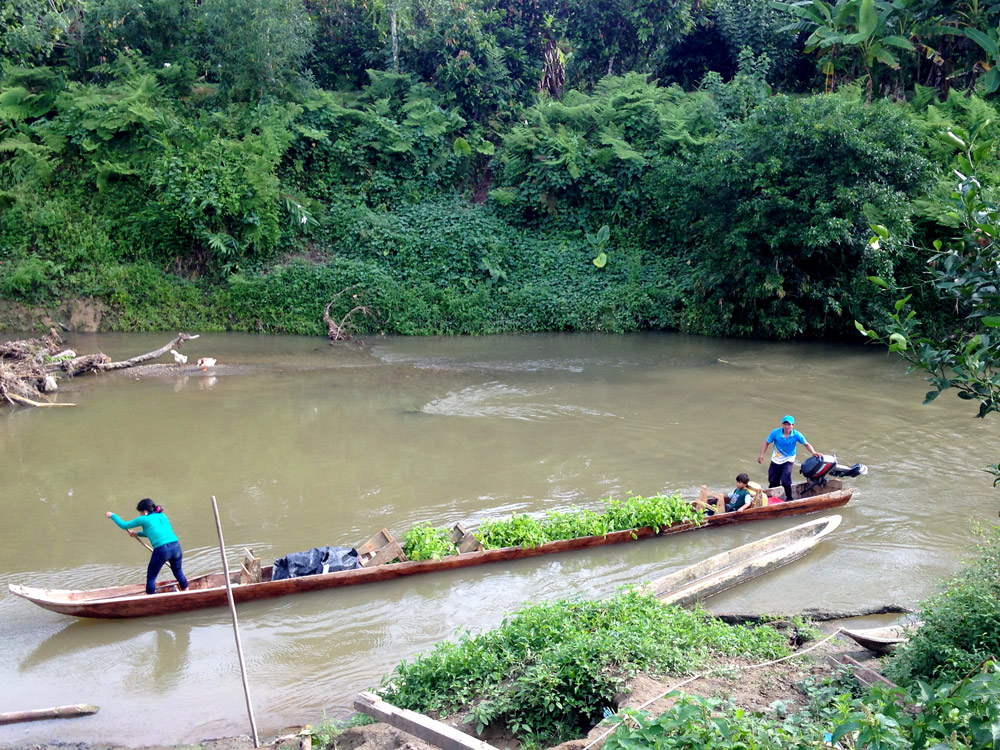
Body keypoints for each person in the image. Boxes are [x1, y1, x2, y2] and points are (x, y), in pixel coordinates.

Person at [106, 499, 188, 595]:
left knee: (151, 577)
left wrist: (112, 515)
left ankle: (150, 598)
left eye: (140, 512)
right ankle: (187, 592)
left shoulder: (144, 519)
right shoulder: (162, 516)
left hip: (162, 550)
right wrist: (137, 533)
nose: (140, 514)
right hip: (176, 547)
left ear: (145, 511)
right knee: (178, 572)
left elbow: (124, 525)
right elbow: (152, 532)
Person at [757, 415, 821, 503]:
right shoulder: (775, 433)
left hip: (789, 459)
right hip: (776, 460)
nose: (787, 426)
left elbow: (806, 444)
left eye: (789, 424)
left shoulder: (796, 434)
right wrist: (761, 455)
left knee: (785, 480)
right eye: (785, 424)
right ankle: (772, 498)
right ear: (782, 425)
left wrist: (814, 452)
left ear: (793, 426)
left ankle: (789, 497)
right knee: (772, 481)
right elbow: (766, 443)